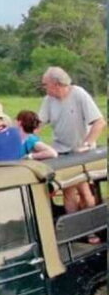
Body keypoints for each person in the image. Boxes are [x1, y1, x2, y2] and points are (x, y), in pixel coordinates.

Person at [39, 67, 105, 212]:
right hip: (61, 152)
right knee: (68, 191)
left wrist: (87, 144)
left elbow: (99, 122)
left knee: (84, 191)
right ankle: (76, 223)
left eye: (45, 84)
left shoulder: (79, 94)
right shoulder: (48, 100)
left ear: (56, 84)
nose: (43, 87)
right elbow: (38, 124)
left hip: (81, 153)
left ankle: (91, 222)